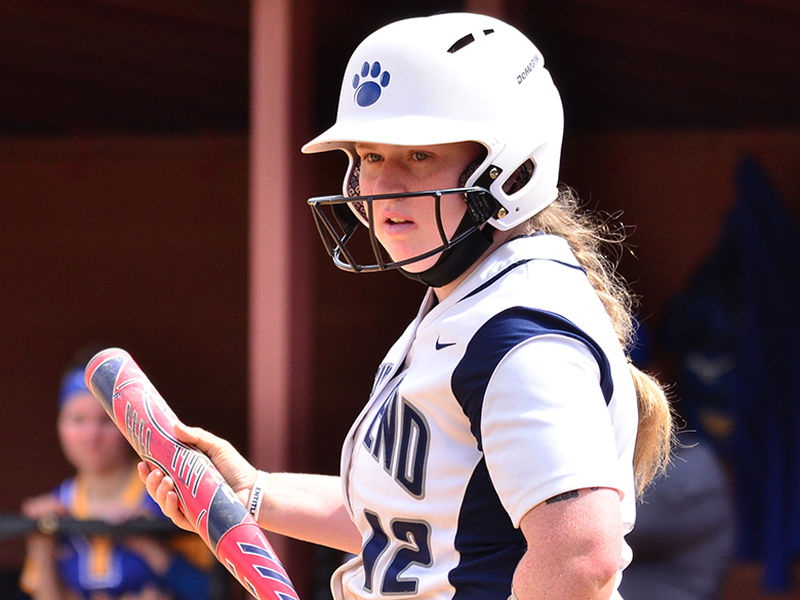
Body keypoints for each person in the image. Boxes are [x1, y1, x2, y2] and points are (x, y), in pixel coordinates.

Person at [140, 12, 673, 600]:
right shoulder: (467, 305)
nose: (382, 188)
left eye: (417, 156)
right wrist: (256, 493)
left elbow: (581, 559)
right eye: (369, 156)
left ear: (513, 169)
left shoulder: (519, 331)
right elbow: (418, 526)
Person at [19, 354, 214, 600]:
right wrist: (41, 548)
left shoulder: (166, 494)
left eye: (105, 420)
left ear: (129, 424)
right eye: (77, 420)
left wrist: (150, 544)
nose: (91, 436)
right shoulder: (53, 507)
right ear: (59, 424)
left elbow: (211, 590)